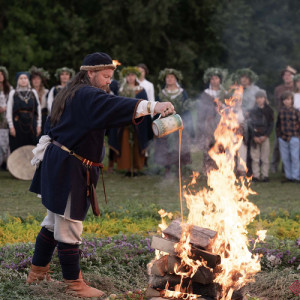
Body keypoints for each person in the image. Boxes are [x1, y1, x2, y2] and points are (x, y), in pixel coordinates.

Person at [28, 52, 174, 298]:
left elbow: (108, 109)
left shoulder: (75, 92)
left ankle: (37, 274)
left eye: (110, 77)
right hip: (69, 167)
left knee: (52, 223)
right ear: (90, 73)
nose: (109, 81)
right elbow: (114, 105)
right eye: (105, 76)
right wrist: (153, 106)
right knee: (69, 227)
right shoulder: (86, 94)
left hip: (62, 162)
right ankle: (74, 284)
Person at [109, 66, 151, 176]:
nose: (130, 77)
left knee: (137, 144)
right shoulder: (121, 90)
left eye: (132, 75)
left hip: (139, 121)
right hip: (125, 121)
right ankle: (127, 168)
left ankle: (136, 168)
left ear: (136, 77)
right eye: (128, 75)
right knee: (125, 144)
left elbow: (145, 105)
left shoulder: (141, 90)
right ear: (125, 77)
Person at [154, 68, 193, 175]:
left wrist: (184, 123)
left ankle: (179, 167)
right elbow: (157, 108)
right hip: (165, 123)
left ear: (176, 79)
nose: (169, 79)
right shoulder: (162, 94)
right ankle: (167, 168)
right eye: (167, 77)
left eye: (172, 77)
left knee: (179, 145)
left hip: (179, 121)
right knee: (165, 145)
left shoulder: (182, 93)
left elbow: (187, 109)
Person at [196, 67, 227, 175]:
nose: (214, 81)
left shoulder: (224, 93)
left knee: (220, 145)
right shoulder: (205, 94)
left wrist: (220, 106)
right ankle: (208, 171)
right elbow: (201, 110)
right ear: (210, 81)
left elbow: (229, 109)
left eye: (216, 78)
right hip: (208, 123)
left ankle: (221, 169)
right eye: (212, 79)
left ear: (220, 80)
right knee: (208, 146)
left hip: (221, 124)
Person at [233, 68, 260, 176]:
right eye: (242, 78)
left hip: (249, 125)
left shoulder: (255, 90)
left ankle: (246, 171)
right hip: (232, 133)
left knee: (246, 149)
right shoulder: (237, 90)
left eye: (246, 77)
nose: (243, 80)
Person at [6, 72, 41, 153]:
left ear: (28, 80)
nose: (23, 80)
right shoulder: (13, 93)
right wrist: (11, 126)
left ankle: (32, 166)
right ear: (18, 80)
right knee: (18, 147)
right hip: (17, 124)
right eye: (21, 78)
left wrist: (39, 125)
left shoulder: (33, 92)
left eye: (25, 78)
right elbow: (9, 111)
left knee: (32, 147)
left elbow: (38, 109)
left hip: (32, 123)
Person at [271, 65, 297, 173]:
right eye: (285, 75)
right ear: (282, 77)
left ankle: (289, 169)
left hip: (294, 118)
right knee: (278, 144)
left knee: (294, 146)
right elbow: (277, 104)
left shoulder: (296, 88)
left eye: (290, 75)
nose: (287, 77)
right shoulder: (278, 89)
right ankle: (274, 166)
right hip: (282, 118)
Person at [248, 90, 274, 182]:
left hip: (264, 137)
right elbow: (250, 124)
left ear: (265, 98)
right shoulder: (252, 111)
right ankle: (256, 175)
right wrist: (254, 136)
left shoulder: (269, 110)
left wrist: (266, 136)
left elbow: (271, 124)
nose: (260, 100)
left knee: (265, 157)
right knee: (255, 158)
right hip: (254, 138)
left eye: (261, 98)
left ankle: (265, 175)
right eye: (258, 98)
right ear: (255, 99)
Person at [276, 91, 300, 183]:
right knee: (285, 158)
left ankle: (296, 176)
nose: (286, 101)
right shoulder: (281, 112)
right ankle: (288, 176)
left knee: (295, 157)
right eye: (285, 99)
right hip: (283, 138)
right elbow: (278, 125)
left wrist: (298, 136)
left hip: (294, 137)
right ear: (282, 101)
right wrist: (279, 136)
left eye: (288, 99)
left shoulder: (296, 111)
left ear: (292, 100)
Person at [29, 66, 50, 134]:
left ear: (41, 80)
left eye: (38, 79)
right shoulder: (28, 93)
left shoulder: (46, 92)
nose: (36, 81)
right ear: (31, 80)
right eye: (34, 79)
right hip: (32, 118)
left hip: (44, 117)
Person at [0, 66, 12, 169]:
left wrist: (5, 108)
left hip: (6, 119)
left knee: (6, 142)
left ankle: (7, 163)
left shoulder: (9, 89)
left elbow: (12, 103)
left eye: (1, 74)